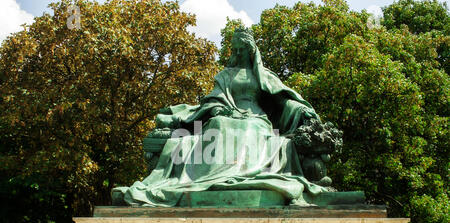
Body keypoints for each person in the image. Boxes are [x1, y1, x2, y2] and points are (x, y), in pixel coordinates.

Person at [112, 28, 327, 207]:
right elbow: (214, 99)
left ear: (251, 51)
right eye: (235, 49)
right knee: (218, 124)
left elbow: (282, 100)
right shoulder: (224, 75)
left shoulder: (263, 76)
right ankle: (213, 177)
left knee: (250, 128)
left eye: (243, 49)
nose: (238, 52)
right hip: (228, 114)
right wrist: (217, 109)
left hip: (256, 118)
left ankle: (241, 172)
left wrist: (301, 110)